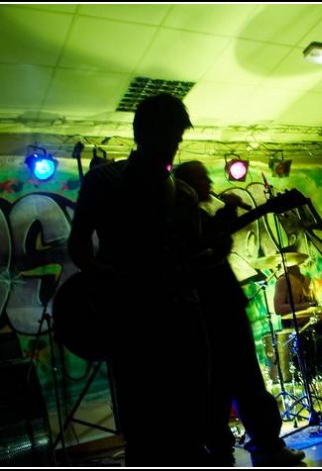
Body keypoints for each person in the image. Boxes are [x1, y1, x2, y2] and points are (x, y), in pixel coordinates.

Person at [67, 94, 212, 466]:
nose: (173, 146)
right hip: (132, 322)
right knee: (143, 430)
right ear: (142, 134)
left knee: (192, 421)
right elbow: (78, 244)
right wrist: (103, 275)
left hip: (182, 316)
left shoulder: (184, 194)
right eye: (167, 136)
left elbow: (192, 256)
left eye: (177, 138)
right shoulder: (105, 180)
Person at [172, 161, 306, 467]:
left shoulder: (192, 215)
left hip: (213, 311)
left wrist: (227, 216)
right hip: (219, 311)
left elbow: (211, 239)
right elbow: (208, 249)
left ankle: (232, 452)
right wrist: (226, 220)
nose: (208, 182)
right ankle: (265, 449)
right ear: (188, 185)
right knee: (244, 383)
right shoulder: (184, 214)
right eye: (202, 178)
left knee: (221, 388)